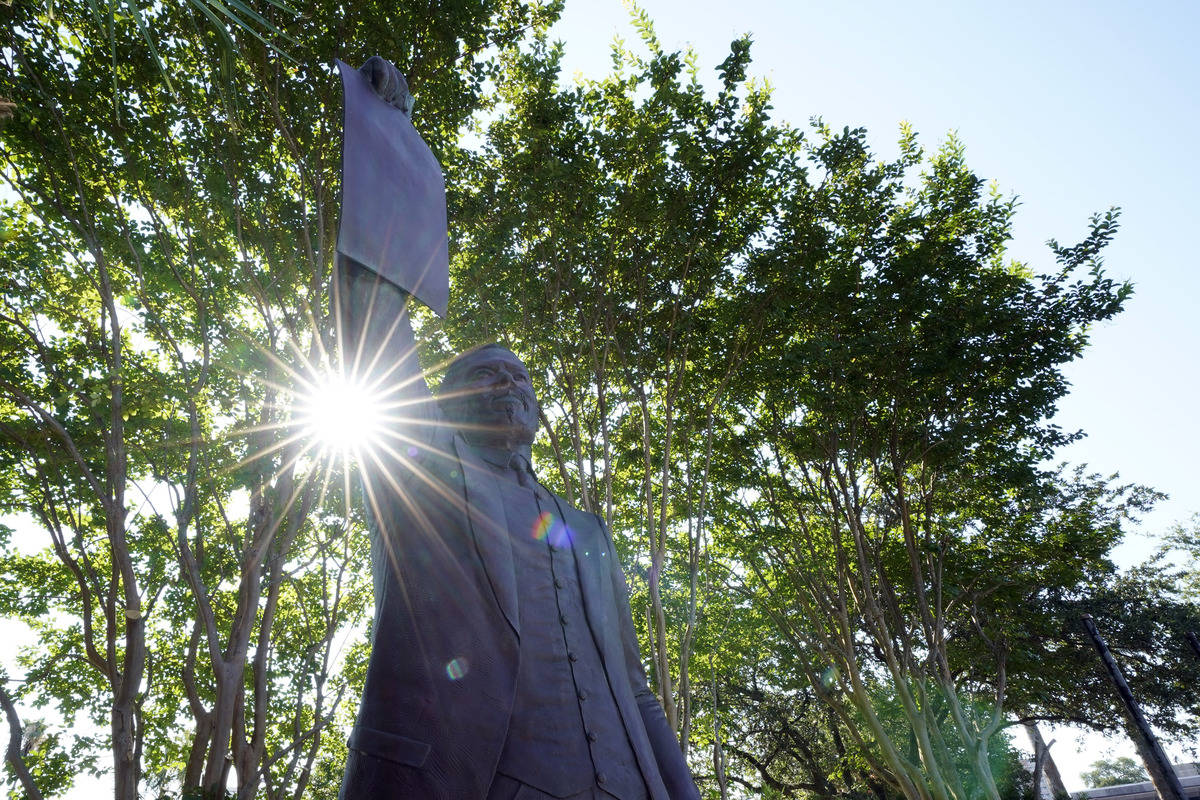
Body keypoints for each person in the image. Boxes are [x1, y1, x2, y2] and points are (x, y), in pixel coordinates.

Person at [336, 61, 699, 800]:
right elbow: (372, 324)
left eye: (522, 378)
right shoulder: (426, 479)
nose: (510, 387)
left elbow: (637, 690)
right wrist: (387, 137)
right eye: (487, 375)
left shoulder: (589, 531)